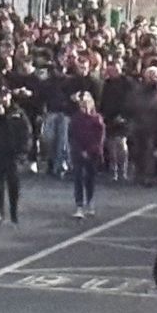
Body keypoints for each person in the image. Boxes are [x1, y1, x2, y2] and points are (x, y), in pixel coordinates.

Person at [0, 86, 31, 227]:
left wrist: (23, 151)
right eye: (1, 96)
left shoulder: (18, 113)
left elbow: (26, 132)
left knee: (13, 186)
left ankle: (14, 213)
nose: (4, 99)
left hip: (13, 154)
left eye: (6, 96)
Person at [68, 91, 106, 219]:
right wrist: (80, 150)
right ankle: (79, 205)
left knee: (90, 178)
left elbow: (99, 138)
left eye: (86, 104)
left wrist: (90, 151)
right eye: (82, 105)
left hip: (92, 153)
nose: (84, 107)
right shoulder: (75, 119)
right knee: (78, 178)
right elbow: (72, 136)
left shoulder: (97, 119)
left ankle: (90, 202)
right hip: (78, 153)